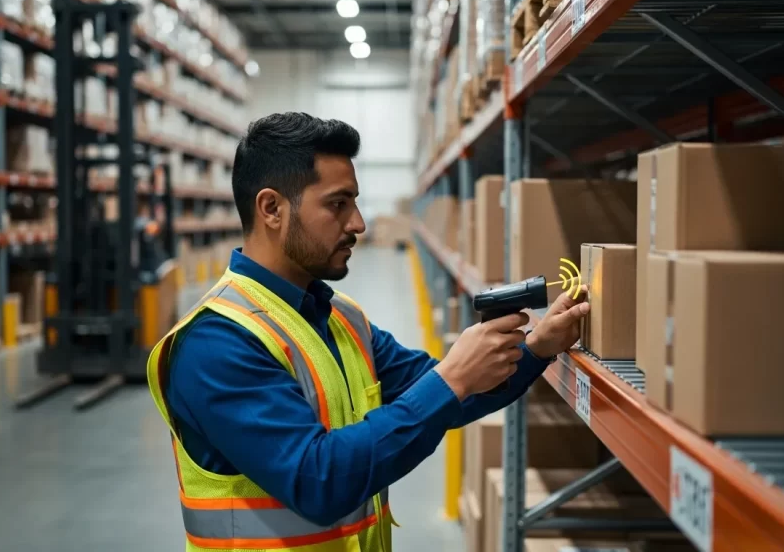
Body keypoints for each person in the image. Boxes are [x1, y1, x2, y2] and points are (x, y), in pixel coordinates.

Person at [146, 112, 590, 552]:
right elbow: (317, 482)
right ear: (272, 209)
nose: (358, 223)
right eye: (338, 204)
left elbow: (454, 396)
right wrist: (451, 378)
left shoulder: (341, 317)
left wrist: (537, 348)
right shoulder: (217, 343)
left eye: (355, 202)